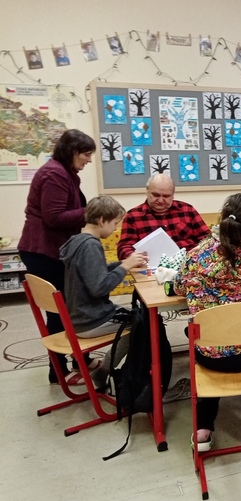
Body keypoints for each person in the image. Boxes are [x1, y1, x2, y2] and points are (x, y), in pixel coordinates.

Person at [175, 194, 241, 452]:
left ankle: (203, 431)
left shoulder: (195, 256)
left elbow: (179, 287)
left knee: (207, 345)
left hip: (210, 356)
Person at [18, 129, 97, 384]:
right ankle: (59, 370)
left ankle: (79, 360)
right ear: (72, 151)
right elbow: (53, 217)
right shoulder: (54, 174)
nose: (89, 160)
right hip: (44, 251)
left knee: (68, 307)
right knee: (58, 311)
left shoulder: (64, 172)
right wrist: (90, 212)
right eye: (86, 154)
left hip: (49, 249)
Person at [59, 196, 148, 389]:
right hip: (89, 320)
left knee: (140, 318)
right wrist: (124, 267)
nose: (115, 229)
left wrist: (123, 263)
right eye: (115, 223)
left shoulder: (77, 241)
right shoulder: (91, 245)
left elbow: (94, 273)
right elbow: (99, 287)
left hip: (78, 316)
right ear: (102, 220)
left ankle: (110, 369)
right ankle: (105, 371)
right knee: (144, 323)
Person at [117, 173, 209, 260]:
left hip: (190, 263)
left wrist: (200, 250)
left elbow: (208, 238)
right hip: (151, 266)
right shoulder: (133, 216)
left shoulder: (187, 210)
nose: (160, 200)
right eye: (156, 195)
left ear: (173, 195)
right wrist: (134, 257)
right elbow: (124, 248)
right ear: (147, 191)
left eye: (166, 196)